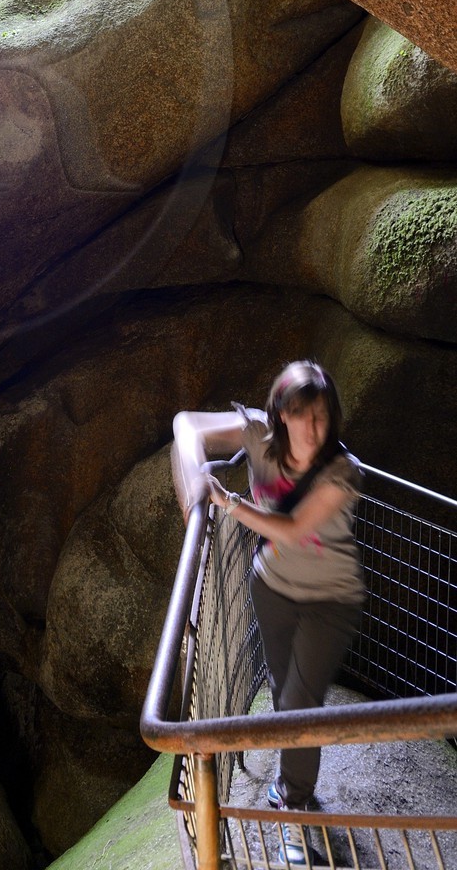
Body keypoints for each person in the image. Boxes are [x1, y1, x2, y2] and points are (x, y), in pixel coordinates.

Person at [171, 361, 364, 862]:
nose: (312, 429)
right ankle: (294, 785)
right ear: (280, 414)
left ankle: (292, 810)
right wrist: (194, 492)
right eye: (300, 415)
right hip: (272, 588)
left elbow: (295, 529)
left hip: (330, 601)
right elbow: (185, 427)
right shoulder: (257, 432)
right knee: (284, 696)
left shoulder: (343, 471)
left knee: (299, 702)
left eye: (321, 416)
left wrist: (227, 501)